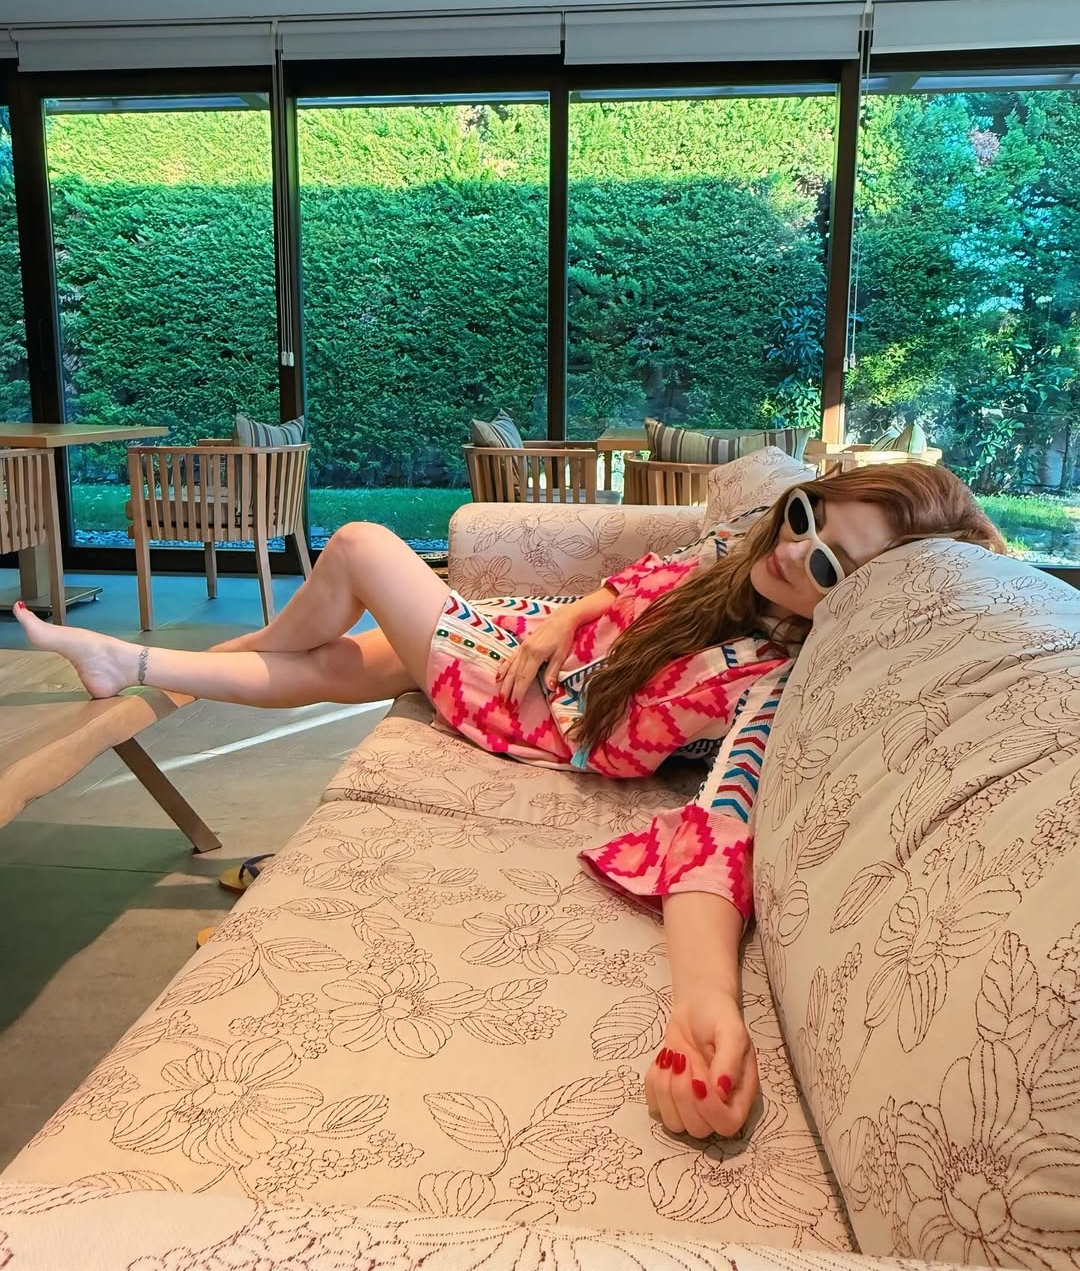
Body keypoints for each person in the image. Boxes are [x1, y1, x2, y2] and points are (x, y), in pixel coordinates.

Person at [14, 462, 1004, 1142]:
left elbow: (723, 825)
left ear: (850, 602)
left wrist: (704, 998)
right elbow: (635, 588)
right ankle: (136, 664)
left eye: (826, 564)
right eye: (806, 514)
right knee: (328, 666)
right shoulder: (744, 569)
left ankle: (194, 655)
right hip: (523, 646)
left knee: (358, 545)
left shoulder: (774, 678)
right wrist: (562, 619)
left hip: (512, 702)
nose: (794, 550)